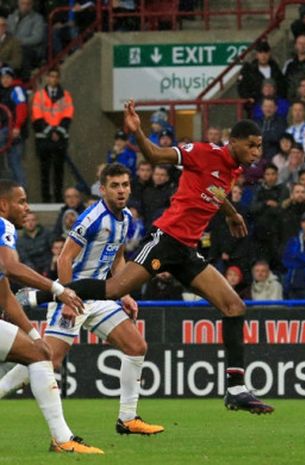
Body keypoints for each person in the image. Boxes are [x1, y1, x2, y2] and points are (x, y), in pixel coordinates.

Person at [19, 102, 273, 413]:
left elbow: (215, 191)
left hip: (186, 252)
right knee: (113, 291)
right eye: (251, 145)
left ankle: (236, 389)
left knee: (235, 307)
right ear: (233, 142)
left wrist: (231, 213)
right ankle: (39, 296)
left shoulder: (232, 169)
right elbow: (155, 156)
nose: (257, 152)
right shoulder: (204, 152)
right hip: (165, 240)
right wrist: (137, 130)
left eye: (259, 146)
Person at [0, 163, 163, 435]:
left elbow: (118, 258)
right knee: (47, 359)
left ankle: (128, 418)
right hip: (75, 294)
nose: (121, 191)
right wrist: (66, 298)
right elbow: (65, 257)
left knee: (136, 346)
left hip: (100, 296)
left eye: (125, 185)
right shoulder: (92, 218)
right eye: (115, 185)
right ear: (102, 189)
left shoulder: (126, 219)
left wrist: (125, 293)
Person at [0, 179, 100, 452]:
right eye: (21, 201)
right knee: (38, 355)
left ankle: (62, 438)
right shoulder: (2, 225)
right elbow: (11, 267)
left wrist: (34, 335)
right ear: (3, 204)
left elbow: (6, 297)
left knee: (38, 352)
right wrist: (59, 289)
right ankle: (63, 439)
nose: (27, 208)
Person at [32, 67, 73, 203]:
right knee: (44, 170)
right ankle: (46, 198)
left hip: (60, 139)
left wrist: (58, 131)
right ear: (47, 78)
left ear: (58, 78)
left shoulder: (65, 95)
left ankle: (58, 197)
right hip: (44, 139)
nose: (53, 79)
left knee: (59, 169)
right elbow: (37, 116)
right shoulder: (39, 95)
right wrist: (50, 131)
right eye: (51, 76)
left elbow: (68, 115)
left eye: (56, 76)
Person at [0, 66, 26, 188]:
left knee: (15, 164)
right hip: (5, 129)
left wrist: (17, 126)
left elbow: (21, 108)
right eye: (2, 78)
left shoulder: (16, 90)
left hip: (12, 130)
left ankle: (21, 192)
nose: (5, 80)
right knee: (13, 164)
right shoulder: (2, 92)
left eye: (7, 77)